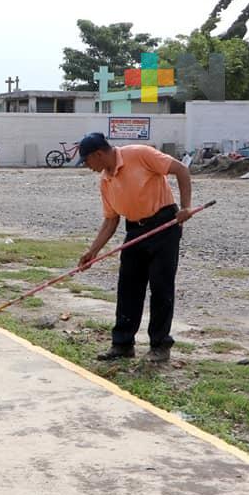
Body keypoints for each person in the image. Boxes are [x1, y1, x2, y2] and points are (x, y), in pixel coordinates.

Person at [77, 132, 194, 364]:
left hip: (164, 225)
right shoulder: (105, 180)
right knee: (128, 288)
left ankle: (160, 345)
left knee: (161, 288)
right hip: (135, 230)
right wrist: (93, 251)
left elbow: (181, 169)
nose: (87, 167)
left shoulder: (140, 154)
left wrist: (186, 207)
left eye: (87, 161)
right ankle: (122, 344)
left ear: (98, 154)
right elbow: (111, 220)